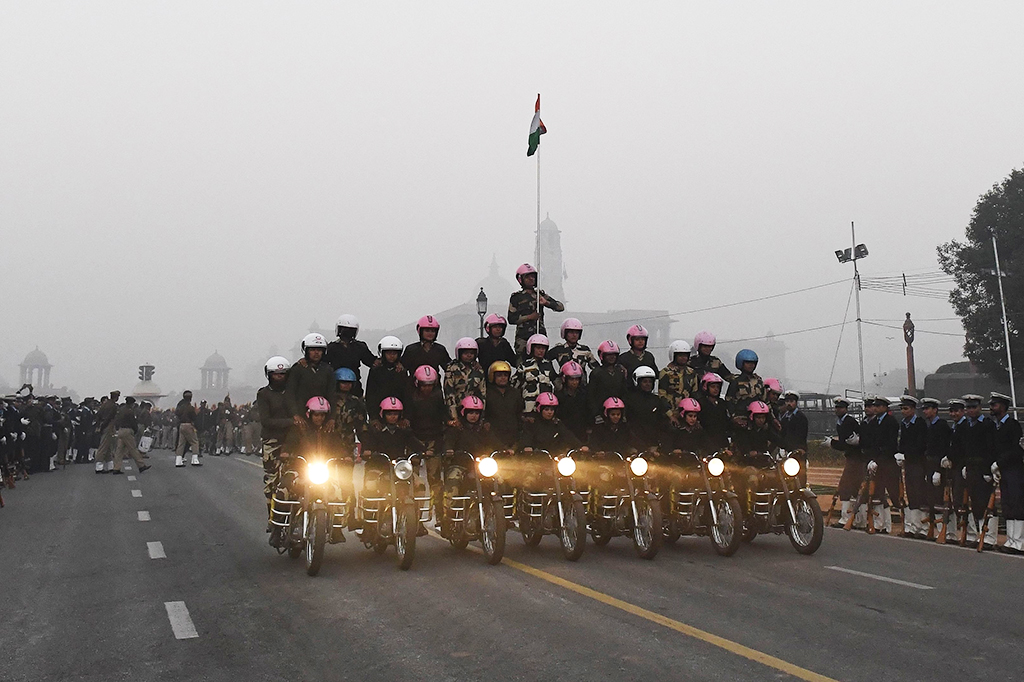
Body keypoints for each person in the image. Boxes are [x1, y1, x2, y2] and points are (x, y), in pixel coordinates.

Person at [278, 396, 353, 544]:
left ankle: (336, 528)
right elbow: (289, 443)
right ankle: (277, 527)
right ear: (309, 414)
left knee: (338, 492)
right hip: (300, 470)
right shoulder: (300, 430)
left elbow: (339, 448)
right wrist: (286, 453)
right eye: (316, 414)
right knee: (283, 490)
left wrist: (345, 457)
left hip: (324, 471)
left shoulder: (331, 431)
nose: (319, 418)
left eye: (322, 415)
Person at [257, 357, 293, 511]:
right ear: (269, 375)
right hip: (272, 440)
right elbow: (266, 421)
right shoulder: (264, 394)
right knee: (272, 480)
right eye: (276, 374)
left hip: (293, 440)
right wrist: (291, 422)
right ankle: (273, 518)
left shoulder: (293, 393)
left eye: (283, 373)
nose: (280, 377)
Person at [960, 394, 997, 546]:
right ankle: (979, 534)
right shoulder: (966, 426)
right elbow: (963, 448)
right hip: (971, 467)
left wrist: (988, 470)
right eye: (968, 407)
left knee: (986, 502)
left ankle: (990, 537)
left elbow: (991, 448)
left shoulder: (987, 425)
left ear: (980, 408)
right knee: (975, 502)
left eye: (973, 407)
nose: (970, 410)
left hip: (983, 468)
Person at [506, 263, 564, 357]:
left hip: (539, 335)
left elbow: (560, 307)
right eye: (528, 277)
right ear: (521, 279)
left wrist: (546, 303)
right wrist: (529, 317)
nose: (531, 279)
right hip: (523, 337)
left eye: (533, 277)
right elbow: (511, 319)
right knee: (523, 362)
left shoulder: (539, 294)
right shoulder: (516, 297)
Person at [989, 393, 1023, 553]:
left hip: (1014, 469)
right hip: (1003, 469)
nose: (992, 407)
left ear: (1003, 406)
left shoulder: (1012, 425)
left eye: (995, 405)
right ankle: (1011, 539)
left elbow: (1015, 450)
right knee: (1007, 504)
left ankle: (1019, 541)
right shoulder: (997, 426)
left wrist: (999, 463)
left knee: (1016, 504)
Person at [865, 397, 900, 534]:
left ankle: (905, 526)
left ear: (885, 407)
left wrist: (878, 459)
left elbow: (890, 444)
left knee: (895, 494)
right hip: (878, 463)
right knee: (878, 494)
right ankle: (882, 524)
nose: (875, 408)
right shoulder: (874, 423)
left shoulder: (891, 422)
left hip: (889, 462)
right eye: (875, 406)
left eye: (879, 406)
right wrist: (872, 459)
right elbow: (873, 444)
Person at [286, 333, 336, 424]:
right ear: (307, 351)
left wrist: (332, 418)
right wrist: (295, 414)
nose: (316, 353)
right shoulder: (297, 369)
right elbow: (290, 394)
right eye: (312, 350)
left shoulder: (328, 370)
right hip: (302, 417)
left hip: (322, 417)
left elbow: (332, 395)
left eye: (319, 350)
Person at [830, 397, 864, 528]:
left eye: (840, 408)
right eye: (836, 408)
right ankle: (857, 519)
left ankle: (846, 518)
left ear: (845, 409)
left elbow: (847, 444)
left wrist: (833, 444)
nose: (837, 410)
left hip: (856, 458)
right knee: (854, 488)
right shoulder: (840, 422)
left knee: (845, 487)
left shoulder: (849, 422)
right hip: (851, 457)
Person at [896, 396, 928, 538]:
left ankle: (923, 528)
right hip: (909, 464)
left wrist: (906, 455)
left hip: (918, 463)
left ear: (913, 409)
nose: (903, 411)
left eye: (906, 408)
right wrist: (900, 453)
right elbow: (903, 443)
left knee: (920, 494)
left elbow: (920, 445)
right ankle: (913, 526)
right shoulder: (904, 424)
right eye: (902, 408)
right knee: (911, 495)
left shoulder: (920, 424)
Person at [920, 398, 951, 538]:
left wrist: (939, 470)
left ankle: (943, 530)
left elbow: (943, 448)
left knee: (940, 498)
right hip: (929, 465)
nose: (925, 411)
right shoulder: (929, 426)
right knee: (930, 497)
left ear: (935, 410)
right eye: (924, 409)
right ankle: (932, 529)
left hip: (939, 465)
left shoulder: (941, 425)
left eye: (928, 409)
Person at [325, 314, 377, 397]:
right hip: (335, 386)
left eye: (350, 330)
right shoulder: (331, 347)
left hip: (354, 387)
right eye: (345, 330)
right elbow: (321, 362)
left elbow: (372, 361)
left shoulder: (360, 347)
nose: (347, 333)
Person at [624, 366, 668, 453]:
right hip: (634, 444)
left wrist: (657, 445)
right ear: (637, 382)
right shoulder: (629, 399)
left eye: (650, 382)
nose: (648, 384)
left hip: (652, 444)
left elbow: (661, 424)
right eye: (645, 382)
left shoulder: (657, 400)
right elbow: (627, 426)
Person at [443, 338, 487, 422]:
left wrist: (481, 416)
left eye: (471, 353)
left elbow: (483, 393)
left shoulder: (478, 370)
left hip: (473, 412)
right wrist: (454, 416)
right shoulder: (452, 369)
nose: (469, 355)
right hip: (457, 410)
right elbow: (449, 394)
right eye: (465, 353)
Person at [364, 336, 407, 422]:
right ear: (383, 353)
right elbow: (370, 395)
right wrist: (373, 417)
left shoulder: (401, 371)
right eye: (389, 353)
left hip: (398, 413)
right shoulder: (375, 371)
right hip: (379, 413)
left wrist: (405, 417)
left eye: (395, 353)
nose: (392, 356)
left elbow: (406, 394)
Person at [943, 398, 968, 538]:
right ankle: (954, 532)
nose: (953, 414)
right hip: (954, 466)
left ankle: (969, 533)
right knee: (954, 499)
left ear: (962, 411)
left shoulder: (964, 426)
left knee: (962, 500)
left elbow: (964, 448)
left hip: (961, 466)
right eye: (951, 411)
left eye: (956, 411)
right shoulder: (955, 426)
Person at [484, 361, 524, 449]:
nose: (503, 378)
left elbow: (519, 413)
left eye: (505, 375)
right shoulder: (486, 393)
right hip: (493, 437)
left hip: (513, 436)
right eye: (499, 375)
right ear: (492, 376)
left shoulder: (515, 393)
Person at [658, 340, 699, 425]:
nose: (683, 358)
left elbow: (695, 394)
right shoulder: (665, 372)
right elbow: (662, 395)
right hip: (669, 415)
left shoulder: (692, 373)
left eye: (685, 355)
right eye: (680, 355)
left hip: (687, 414)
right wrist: (670, 415)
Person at [547, 318, 598, 386]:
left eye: (576, 332)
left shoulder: (585, 350)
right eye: (571, 332)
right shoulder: (558, 350)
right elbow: (544, 362)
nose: (574, 335)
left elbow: (597, 369)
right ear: (565, 333)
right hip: (563, 388)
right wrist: (555, 378)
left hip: (581, 388)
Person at [514, 334, 556, 414]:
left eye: (543, 348)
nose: (541, 351)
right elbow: (514, 385)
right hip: (529, 406)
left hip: (545, 407)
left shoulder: (548, 365)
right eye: (538, 348)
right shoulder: (524, 366)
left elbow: (557, 383)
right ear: (532, 348)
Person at [588, 340, 629, 422]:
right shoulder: (596, 373)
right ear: (602, 356)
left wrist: (623, 413)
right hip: (601, 414)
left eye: (614, 355)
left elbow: (624, 394)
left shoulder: (620, 372)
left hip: (617, 413)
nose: (612, 357)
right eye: (608, 355)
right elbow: (591, 396)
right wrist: (596, 414)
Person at [111, 397, 150, 475]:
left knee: (119, 450)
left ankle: (116, 467)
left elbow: (117, 420)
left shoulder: (121, 409)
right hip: (127, 430)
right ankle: (141, 465)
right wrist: (135, 430)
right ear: (132, 404)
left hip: (121, 430)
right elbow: (133, 422)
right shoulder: (130, 411)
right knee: (133, 449)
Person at [555, 361, 590, 442]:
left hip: (581, 431)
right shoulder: (559, 396)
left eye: (577, 379)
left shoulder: (584, 395)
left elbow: (588, 412)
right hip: (564, 433)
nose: (575, 382)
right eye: (571, 379)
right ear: (565, 379)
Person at [696, 373, 731, 452]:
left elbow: (726, 422)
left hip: (721, 441)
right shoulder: (700, 403)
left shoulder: (722, 403)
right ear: (705, 387)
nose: (716, 389)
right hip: (704, 442)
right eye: (713, 387)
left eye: (718, 387)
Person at [93, 391, 120, 474]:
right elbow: (109, 418)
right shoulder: (113, 406)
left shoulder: (105, 404)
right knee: (103, 446)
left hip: (104, 425)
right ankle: (99, 467)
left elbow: (98, 415)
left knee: (108, 447)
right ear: (116, 397)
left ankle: (110, 465)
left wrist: (98, 426)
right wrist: (102, 426)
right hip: (108, 426)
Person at [174, 391, 202, 466]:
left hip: (181, 425)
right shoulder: (190, 407)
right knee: (194, 442)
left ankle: (178, 461)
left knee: (181, 443)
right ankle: (195, 460)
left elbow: (176, 413)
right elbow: (194, 418)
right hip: (188, 425)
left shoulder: (180, 407)